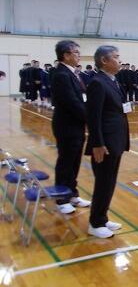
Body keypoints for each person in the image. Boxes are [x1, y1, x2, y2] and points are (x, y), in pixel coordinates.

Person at [85, 45, 130, 238]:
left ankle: (102, 218)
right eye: (116, 57)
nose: (120, 60)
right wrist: (97, 143)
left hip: (116, 140)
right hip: (104, 143)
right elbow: (93, 117)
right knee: (103, 183)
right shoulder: (97, 83)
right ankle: (95, 223)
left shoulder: (112, 80)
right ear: (104, 61)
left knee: (110, 181)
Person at [50, 40, 91, 214]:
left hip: (76, 124)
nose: (79, 56)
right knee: (66, 162)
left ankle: (72, 193)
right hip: (66, 125)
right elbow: (71, 102)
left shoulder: (72, 73)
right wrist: (90, 119)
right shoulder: (61, 74)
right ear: (66, 55)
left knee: (75, 161)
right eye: (76, 53)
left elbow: (82, 98)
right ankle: (62, 199)